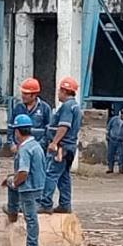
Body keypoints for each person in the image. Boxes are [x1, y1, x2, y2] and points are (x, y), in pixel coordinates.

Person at [3, 114, 48, 246]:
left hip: (29, 187)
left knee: (31, 218)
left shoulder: (25, 149)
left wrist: (14, 182)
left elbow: (23, 172)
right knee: (31, 215)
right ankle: (13, 210)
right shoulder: (36, 146)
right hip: (38, 185)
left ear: (17, 132)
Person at [40, 76, 82, 214]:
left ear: (64, 91)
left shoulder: (67, 107)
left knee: (51, 174)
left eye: (59, 90)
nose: (58, 93)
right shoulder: (76, 106)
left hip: (62, 147)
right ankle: (65, 204)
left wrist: (54, 142)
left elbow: (64, 126)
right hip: (70, 147)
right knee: (64, 176)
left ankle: (45, 203)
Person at [11, 78, 52, 151]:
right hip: (20, 148)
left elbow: (48, 130)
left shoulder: (45, 108)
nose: (23, 96)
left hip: (39, 148)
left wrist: (40, 145)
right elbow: (11, 127)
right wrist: (12, 144)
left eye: (26, 94)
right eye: (22, 93)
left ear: (34, 94)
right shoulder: (18, 107)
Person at [106, 106, 123, 174]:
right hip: (112, 139)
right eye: (122, 113)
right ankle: (110, 168)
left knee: (121, 155)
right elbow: (108, 128)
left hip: (121, 141)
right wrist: (107, 136)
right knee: (110, 154)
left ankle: (121, 169)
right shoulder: (114, 119)